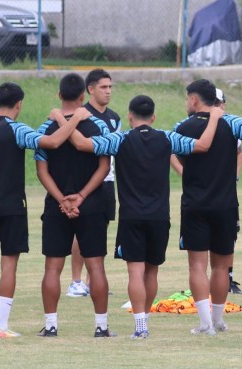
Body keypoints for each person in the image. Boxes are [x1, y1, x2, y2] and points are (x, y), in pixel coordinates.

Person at [70, 94, 219, 339]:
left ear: (129, 116)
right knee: (152, 272)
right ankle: (145, 319)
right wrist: (213, 117)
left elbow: (82, 144)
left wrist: (67, 119)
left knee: (135, 272)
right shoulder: (167, 138)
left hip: (131, 216)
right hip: (160, 216)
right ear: (153, 117)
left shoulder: (119, 139)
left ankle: (140, 326)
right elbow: (202, 145)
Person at [0, 82, 86, 338]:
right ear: (19, 104)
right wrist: (74, 119)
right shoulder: (17, 130)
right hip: (11, 208)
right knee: (9, 264)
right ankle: (1, 326)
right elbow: (52, 142)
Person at [172, 80, 242, 336]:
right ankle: (218, 320)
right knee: (221, 266)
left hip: (195, 204)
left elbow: (170, 151)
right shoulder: (232, 123)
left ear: (194, 100)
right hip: (226, 204)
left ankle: (205, 323)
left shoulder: (183, 126)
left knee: (197, 265)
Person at [34, 74, 114, 337]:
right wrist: (81, 196)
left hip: (56, 206)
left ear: (59, 96)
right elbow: (104, 167)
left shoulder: (45, 128)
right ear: (83, 96)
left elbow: (41, 171)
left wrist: (61, 199)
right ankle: (101, 327)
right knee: (96, 266)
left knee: (53, 267)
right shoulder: (98, 126)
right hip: (91, 204)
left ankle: (51, 325)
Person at [68, 68, 121, 298]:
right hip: (82, 182)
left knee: (100, 230)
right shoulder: (80, 114)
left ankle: (92, 281)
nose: (108, 91)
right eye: (103, 87)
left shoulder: (114, 118)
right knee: (79, 233)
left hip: (107, 181)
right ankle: (75, 281)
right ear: (90, 89)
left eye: (110, 87)